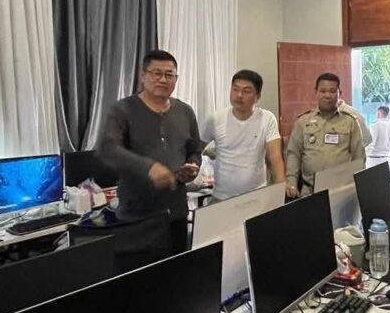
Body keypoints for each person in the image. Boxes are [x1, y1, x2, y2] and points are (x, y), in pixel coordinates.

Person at [97, 50, 201, 256]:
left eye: (169, 75)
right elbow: (107, 148)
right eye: (156, 73)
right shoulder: (122, 110)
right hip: (137, 216)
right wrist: (149, 168)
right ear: (143, 76)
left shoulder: (185, 112)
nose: (163, 79)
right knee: (141, 274)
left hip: (176, 213)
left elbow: (195, 150)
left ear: (176, 79)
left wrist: (193, 167)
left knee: (178, 270)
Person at [200, 69, 284, 201]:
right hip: (222, 197)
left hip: (256, 195)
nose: (239, 95)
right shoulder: (215, 119)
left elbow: (275, 158)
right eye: (235, 89)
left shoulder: (267, 118)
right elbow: (196, 149)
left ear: (257, 96)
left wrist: (280, 191)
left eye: (246, 91)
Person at [285, 73, 365, 198]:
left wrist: (358, 186)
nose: (327, 95)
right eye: (323, 91)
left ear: (339, 93)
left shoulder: (350, 122)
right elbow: (294, 154)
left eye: (332, 91)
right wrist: (291, 181)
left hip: (341, 191)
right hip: (309, 192)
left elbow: (359, 157)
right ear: (316, 92)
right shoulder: (303, 122)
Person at [366, 105, 390, 174]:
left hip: (371, 161)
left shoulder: (373, 126)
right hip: (386, 161)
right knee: (385, 180)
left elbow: (367, 143)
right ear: (388, 114)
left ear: (378, 114)